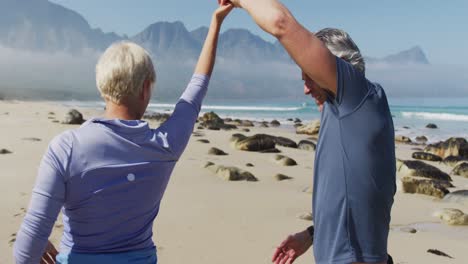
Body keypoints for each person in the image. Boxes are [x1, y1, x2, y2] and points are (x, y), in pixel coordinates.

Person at [13, 3, 234, 264]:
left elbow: (27, 248)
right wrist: (215, 23)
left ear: (101, 87)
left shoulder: (66, 148)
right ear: (145, 90)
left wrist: (37, 244)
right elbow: (197, 88)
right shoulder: (164, 146)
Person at [221, 1, 396, 264]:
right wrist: (313, 234)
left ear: (342, 66)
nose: (306, 89)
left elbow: (281, 24)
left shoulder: (357, 96)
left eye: (309, 77)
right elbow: (354, 195)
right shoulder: (342, 110)